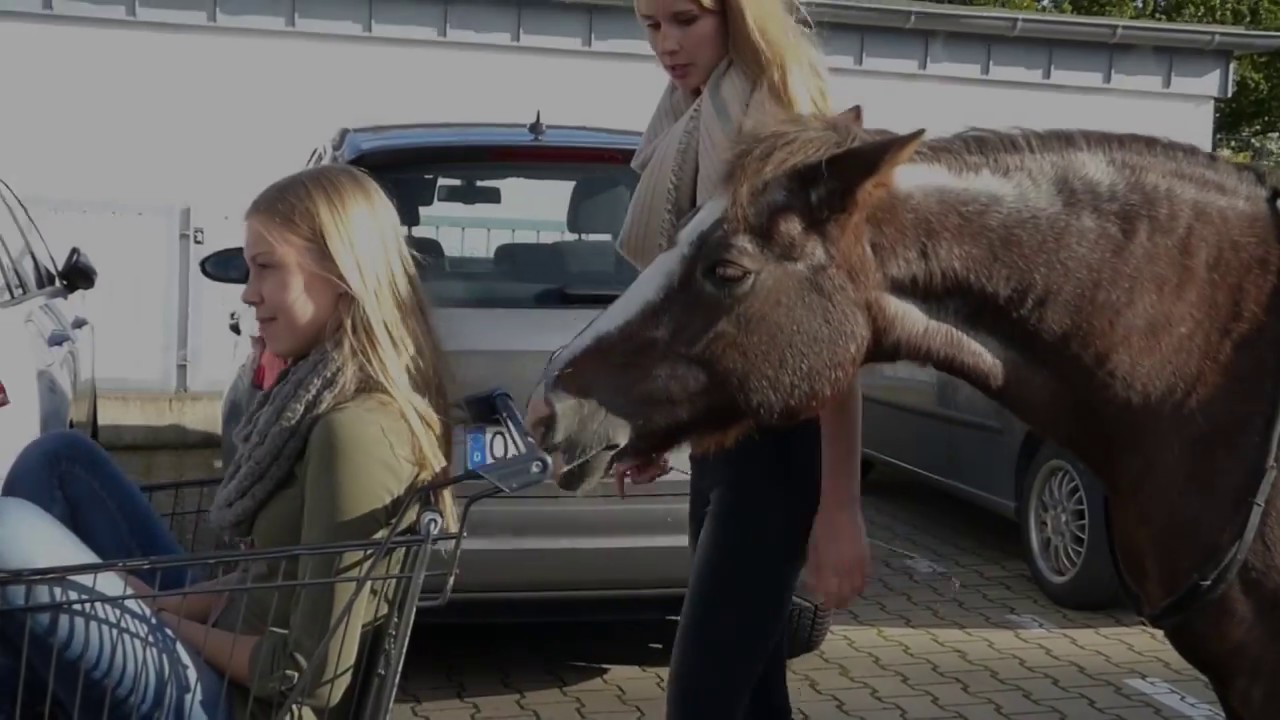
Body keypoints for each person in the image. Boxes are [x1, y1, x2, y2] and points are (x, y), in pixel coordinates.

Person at [0, 163, 456, 720]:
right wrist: (159, 602)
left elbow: (311, 675)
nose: (247, 292)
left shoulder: (354, 429)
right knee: (59, 460)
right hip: (230, 627)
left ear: (342, 274)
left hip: (246, 703)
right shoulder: (314, 387)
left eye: (266, 268)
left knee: (6, 537)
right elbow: (265, 574)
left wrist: (159, 621)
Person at [528, 0, 872, 717]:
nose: (666, 43)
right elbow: (700, 317)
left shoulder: (782, 128)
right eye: (651, 24)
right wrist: (669, 426)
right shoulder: (687, 121)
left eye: (685, 18)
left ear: (741, 15)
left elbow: (838, 325)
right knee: (752, 695)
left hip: (778, 456)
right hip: (724, 456)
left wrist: (840, 505)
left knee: (702, 700)